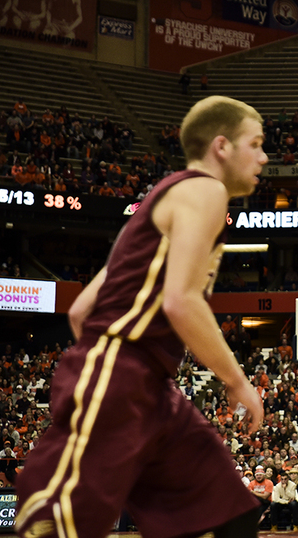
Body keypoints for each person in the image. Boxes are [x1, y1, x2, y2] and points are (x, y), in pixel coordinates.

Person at [14, 96, 267, 538]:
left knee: (225, 514)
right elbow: (181, 301)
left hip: (148, 386)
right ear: (222, 146)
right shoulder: (205, 189)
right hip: (122, 373)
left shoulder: (160, 206)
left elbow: (80, 311)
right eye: (257, 143)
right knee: (56, 526)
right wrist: (236, 379)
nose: (264, 157)